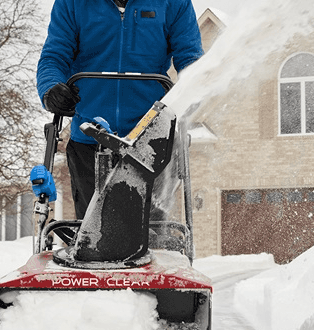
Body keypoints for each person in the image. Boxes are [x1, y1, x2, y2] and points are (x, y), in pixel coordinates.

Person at [36, 0, 204, 220]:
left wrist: (194, 88)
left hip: (151, 140)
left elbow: (189, 56)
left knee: (150, 233)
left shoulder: (173, 3)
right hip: (89, 139)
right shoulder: (73, 3)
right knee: (92, 233)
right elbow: (54, 57)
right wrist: (51, 88)